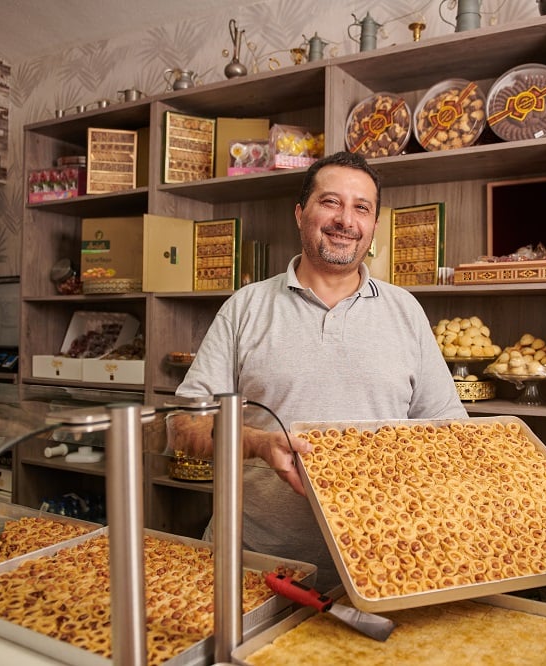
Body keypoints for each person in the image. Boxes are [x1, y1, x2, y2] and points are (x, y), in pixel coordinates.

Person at [172, 150, 466, 589]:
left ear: (373, 226)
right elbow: (182, 427)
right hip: (252, 565)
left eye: (361, 208)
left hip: (381, 567)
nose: (345, 220)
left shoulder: (406, 311)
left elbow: (451, 435)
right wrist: (256, 442)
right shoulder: (246, 307)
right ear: (300, 213)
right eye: (330, 202)